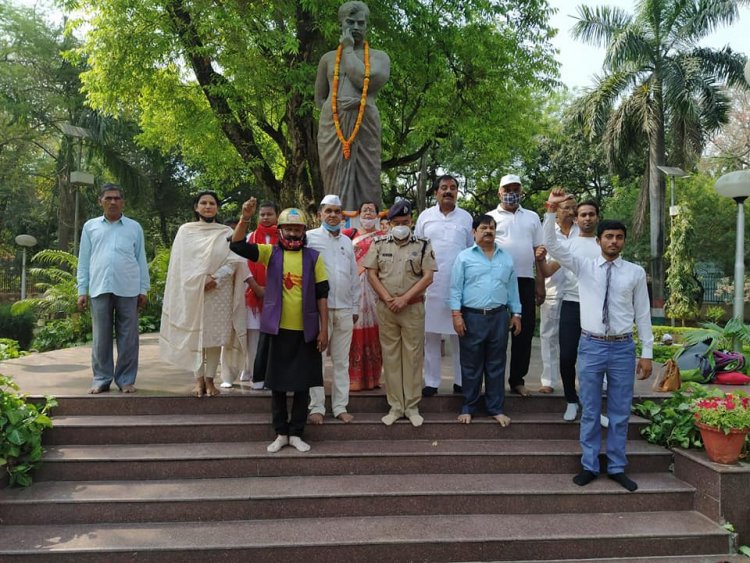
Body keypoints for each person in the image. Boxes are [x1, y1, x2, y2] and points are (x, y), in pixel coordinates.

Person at [543, 188, 653, 492]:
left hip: (622, 348)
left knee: (619, 412)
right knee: (590, 410)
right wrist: (551, 209)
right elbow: (551, 243)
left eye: (619, 237)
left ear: (623, 241)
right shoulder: (583, 265)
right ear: (599, 240)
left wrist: (647, 352)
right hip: (591, 346)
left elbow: (643, 315)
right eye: (609, 237)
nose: (614, 241)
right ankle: (589, 464)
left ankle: (617, 466)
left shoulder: (634, 272)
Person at [230, 200, 329, 453]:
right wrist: (244, 217)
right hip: (276, 330)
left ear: (303, 231)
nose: (293, 233)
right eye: (289, 229)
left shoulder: (314, 257)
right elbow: (237, 245)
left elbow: (322, 295)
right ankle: (280, 433)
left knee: (302, 385)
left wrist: (324, 328)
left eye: (298, 229)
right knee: (277, 385)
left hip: (306, 332)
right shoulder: (269, 252)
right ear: (280, 230)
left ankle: (297, 432)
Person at [159, 191, 248, 398]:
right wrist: (199, 280)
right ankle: (198, 380)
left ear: (217, 207)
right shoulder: (185, 231)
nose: (208, 206)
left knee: (215, 336)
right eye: (203, 203)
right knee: (196, 335)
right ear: (196, 207)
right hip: (193, 291)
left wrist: (215, 278)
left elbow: (233, 260)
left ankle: (210, 380)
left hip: (220, 291)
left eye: (212, 203)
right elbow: (180, 264)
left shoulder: (226, 231)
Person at [364, 200, 437, 427]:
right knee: (392, 357)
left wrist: (404, 299)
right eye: (396, 222)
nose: (401, 226)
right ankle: (396, 406)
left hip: (412, 307)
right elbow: (371, 273)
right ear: (388, 223)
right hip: (387, 309)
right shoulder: (378, 243)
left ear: (411, 221)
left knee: (413, 357)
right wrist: (388, 298)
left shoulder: (423, 245)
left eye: (405, 222)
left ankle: (412, 406)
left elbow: (428, 276)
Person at [315, 1, 390, 211]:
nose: (355, 27)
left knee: (369, 174)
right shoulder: (327, 59)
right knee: (331, 176)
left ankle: (367, 223)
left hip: (365, 121)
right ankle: (334, 217)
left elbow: (364, 80)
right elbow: (320, 98)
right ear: (341, 24)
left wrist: (348, 50)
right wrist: (335, 111)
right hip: (333, 126)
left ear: (367, 26)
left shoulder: (379, 57)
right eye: (350, 22)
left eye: (360, 23)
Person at [77, 184, 150, 394]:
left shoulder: (134, 227)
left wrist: (143, 288)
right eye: (108, 198)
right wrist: (82, 289)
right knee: (101, 337)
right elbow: (84, 260)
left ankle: (126, 380)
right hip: (99, 287)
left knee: (129, 338)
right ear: (100, 201)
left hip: (128, 287)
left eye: (117, 198)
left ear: (123, 202)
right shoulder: (90, 227)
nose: (112, 202)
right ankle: (101, 379)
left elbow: (141, 259)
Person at [449, 215, 522, 426]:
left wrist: (516, 314)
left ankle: (496, 408)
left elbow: (512, 289)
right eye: (483, 228)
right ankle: (469, 406)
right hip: (472, 317)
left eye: (492, 227)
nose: (488, 231)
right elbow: (455, 289)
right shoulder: (464, 257)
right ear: (474, 232)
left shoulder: (506, 258)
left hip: (499, 317)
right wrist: (456, 315)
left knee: (496, 365)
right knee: (471, 365)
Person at [537, 200, 603, 422]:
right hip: (572, 304)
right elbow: (547, 269)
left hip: (596, 307)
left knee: (593, 359)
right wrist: (538, 261)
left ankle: (592, 406)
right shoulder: (569, 245)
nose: (587, 218)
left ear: (597, 217)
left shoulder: (605, 244)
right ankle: (571, 400)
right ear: (577, 218)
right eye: (583, 215)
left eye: (591, 214)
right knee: (567, 356)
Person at [487, 174, 544, 397]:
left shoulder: (532, 217)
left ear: (521, 192)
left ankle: (517, 379)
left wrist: (541, 283)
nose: (511, 193)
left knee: (525, 330)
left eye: (516, 189)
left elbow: (539, 253)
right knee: (496, 332)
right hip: (497, 281)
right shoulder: (490, 217)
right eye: (507, 189)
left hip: (525, 281)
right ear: (499, 192)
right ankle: (493, 381)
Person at [415, 174, 473, 397]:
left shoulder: (466, 218)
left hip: (459, 286)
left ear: (458, 192)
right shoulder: (425, 217)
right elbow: (418, 250)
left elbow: (471, 252)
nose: (448, 191)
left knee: (459, 336)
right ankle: (431, 382)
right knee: (430, 336)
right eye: (443, 188)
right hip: (431, 287)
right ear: (436, 192)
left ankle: (460, 381)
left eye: (452, 188)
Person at [307, 194, 360, 424]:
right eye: (328, 211)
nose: (333, 215)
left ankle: (340, 406)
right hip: (320, 310)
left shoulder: (347, 241)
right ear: (320, 214)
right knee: (316, 360)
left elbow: (354, 277)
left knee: (341, 361)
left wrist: (355, 305)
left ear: (342, 216)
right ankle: (316, 407)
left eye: (337, 211)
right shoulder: (309, 238)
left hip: (345, 309)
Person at [223, 201, 280, 390]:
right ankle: (256, 373)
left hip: (281, 296)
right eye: (262, 214)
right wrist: (255, 286)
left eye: (269, 214)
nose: (265, 217)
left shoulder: (284, 238)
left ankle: (273, 374)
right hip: (254, 294)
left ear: (277, 216)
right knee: (254, 337)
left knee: (276, 336)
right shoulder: (249, 237)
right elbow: (240, 261)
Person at [343, 201, 385, 391]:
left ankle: (373, 378)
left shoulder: (384, 237)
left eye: (372, 210)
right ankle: (354, 378)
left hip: (376, 291)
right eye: (365, 210)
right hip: (352, 290)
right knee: (352, 333)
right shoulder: (347, 236)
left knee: (375, 333)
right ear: (358, 215)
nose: (368, 213)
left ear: (377, 215)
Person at [538, 195, 578, 394]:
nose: (570, 212)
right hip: (552, 289)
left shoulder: (582, 232)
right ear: (557, 209)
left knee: (583, 338)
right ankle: (549, 380)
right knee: (549, 337)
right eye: (566, 208)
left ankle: (587, 380)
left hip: (578, 293)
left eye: (573, 208)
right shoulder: (546, 230)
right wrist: (540, 287)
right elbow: (539, 262)